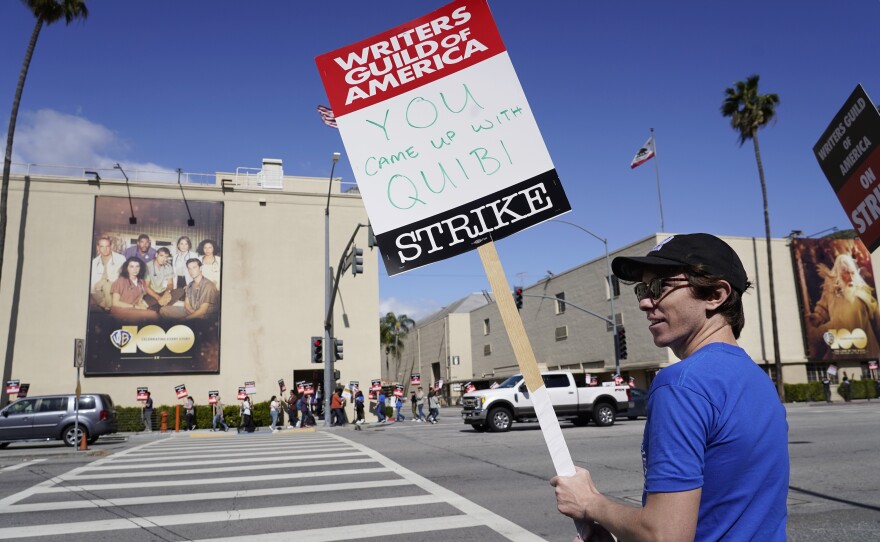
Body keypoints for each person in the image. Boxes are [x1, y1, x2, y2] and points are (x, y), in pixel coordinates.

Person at [552, 233, 789, 541]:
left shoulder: (681, 385)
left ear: (715, 294)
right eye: (642, 289)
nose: (644, 302)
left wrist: (590, 503)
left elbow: (665, 535)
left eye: (659, 287)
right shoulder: (757, 379)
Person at [807, 253, 880, 360]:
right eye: (846, 273)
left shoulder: (859, 293)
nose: (850, 277)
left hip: (862, 349)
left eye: (852, 273)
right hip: (843, 347)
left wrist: (817, 334)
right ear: (839, 273)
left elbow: (841, 323)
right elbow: (823, 307)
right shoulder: (830, 290)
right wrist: (817, 317)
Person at [110, 257, 159, 323]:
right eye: (132, 266)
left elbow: (139, 300)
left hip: (134, 309)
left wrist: (144, 306)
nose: (135, 269)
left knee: (155, 314)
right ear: (127, 268)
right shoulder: (120, 281)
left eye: (137, 266)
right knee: (152, 315)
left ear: (140, 268)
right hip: (120, 310)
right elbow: (115, 303)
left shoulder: (141, 282)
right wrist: (135, 307)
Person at [90, 236, 126, 311]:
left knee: (107, 286)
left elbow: (122, 278)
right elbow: (92, 284)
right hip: (97, 290)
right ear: (98, 248)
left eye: (107, 246)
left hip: (113, 287)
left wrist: (105, 281)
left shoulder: (121, 258)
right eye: (102, 246)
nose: (105, 249)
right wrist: (100, 300)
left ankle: (109, 309)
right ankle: (107, 307)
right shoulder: (94, 262)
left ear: (111, 246)